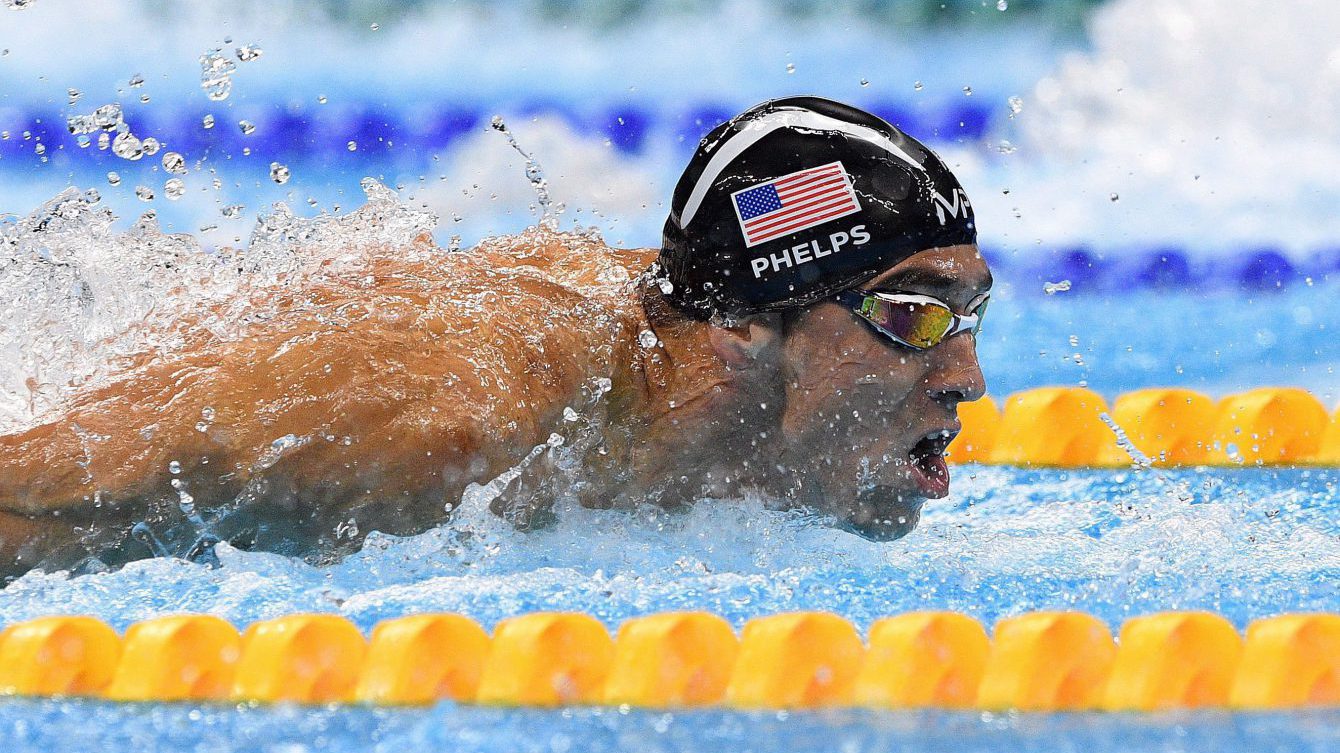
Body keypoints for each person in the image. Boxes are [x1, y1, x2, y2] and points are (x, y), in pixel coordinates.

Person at [0, 96, 990, 579]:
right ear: (739, 329)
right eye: (912, 318)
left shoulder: (716, 389)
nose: (967, 382)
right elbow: (32, 488)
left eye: (970, 316)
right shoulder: (443, 426)